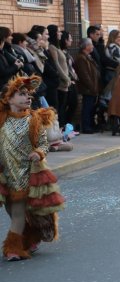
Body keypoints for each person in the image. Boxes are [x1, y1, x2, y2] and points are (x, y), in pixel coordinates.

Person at [0, 75, 65, 261]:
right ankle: (29, 235)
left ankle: (12, 248)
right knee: (11, 210)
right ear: (8, 98)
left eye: (29, 95)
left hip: (25, 173)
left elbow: (44, 144)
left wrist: (38, 152)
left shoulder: (33, 120)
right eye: (21, 94)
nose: (28, 98)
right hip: (5, 173)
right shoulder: (2, 118)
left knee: (18, 212)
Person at [74, 38, 101, 133]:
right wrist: (92, 87)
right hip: (87, 88)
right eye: (91, 45)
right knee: (87, 107)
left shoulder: (87, 56)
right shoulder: (81, 58)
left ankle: (90, 125)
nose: (93, 46)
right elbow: (84, 75)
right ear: (86, 47)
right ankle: (86, 127)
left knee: (91, 108)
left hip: (92, 88)